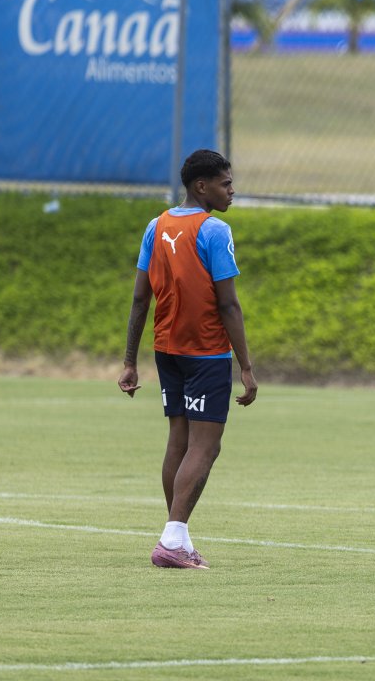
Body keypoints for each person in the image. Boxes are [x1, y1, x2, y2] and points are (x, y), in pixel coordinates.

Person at [118, 149, 258, 570]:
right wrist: (246, 368)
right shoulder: (214, 230)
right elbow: (229, 305)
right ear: (203, 186)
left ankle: (176, 535)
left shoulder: (156, 226)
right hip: (207, 353)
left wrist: (130, 361)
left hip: (167, 351)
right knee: (205, 447)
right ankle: (173, 537)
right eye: (226, 183)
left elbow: (141, 299)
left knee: (179, 442)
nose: (232, 191)